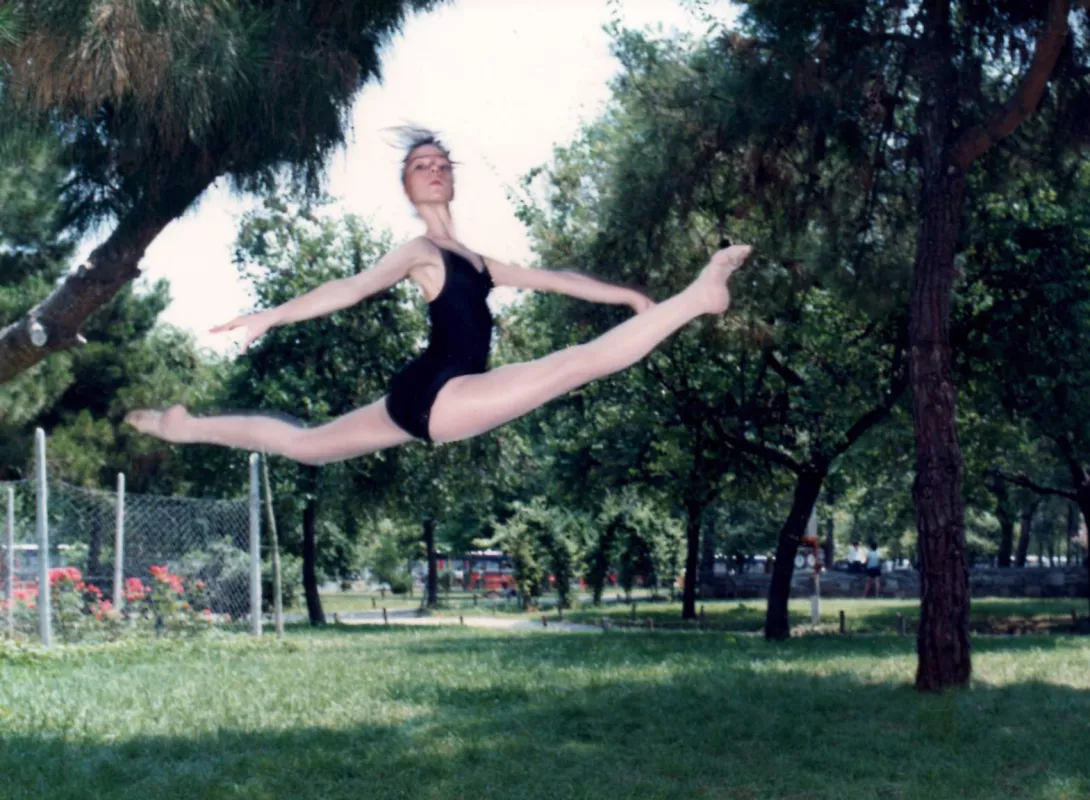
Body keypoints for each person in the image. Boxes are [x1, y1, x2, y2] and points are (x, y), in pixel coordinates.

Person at [125, 128, 753, 461]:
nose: (433, 168)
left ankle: (189, 428)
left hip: (415, 395)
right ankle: (699, 297)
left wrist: (626, 298)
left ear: (452, 180)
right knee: (572, 365)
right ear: (406, 187)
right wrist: (273, 315)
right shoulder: (419, 252)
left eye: (441, 162)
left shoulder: (479, 263)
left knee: (305, 447)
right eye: (420, 165)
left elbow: (557, 278)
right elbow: (350, 287)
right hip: (441, 394)